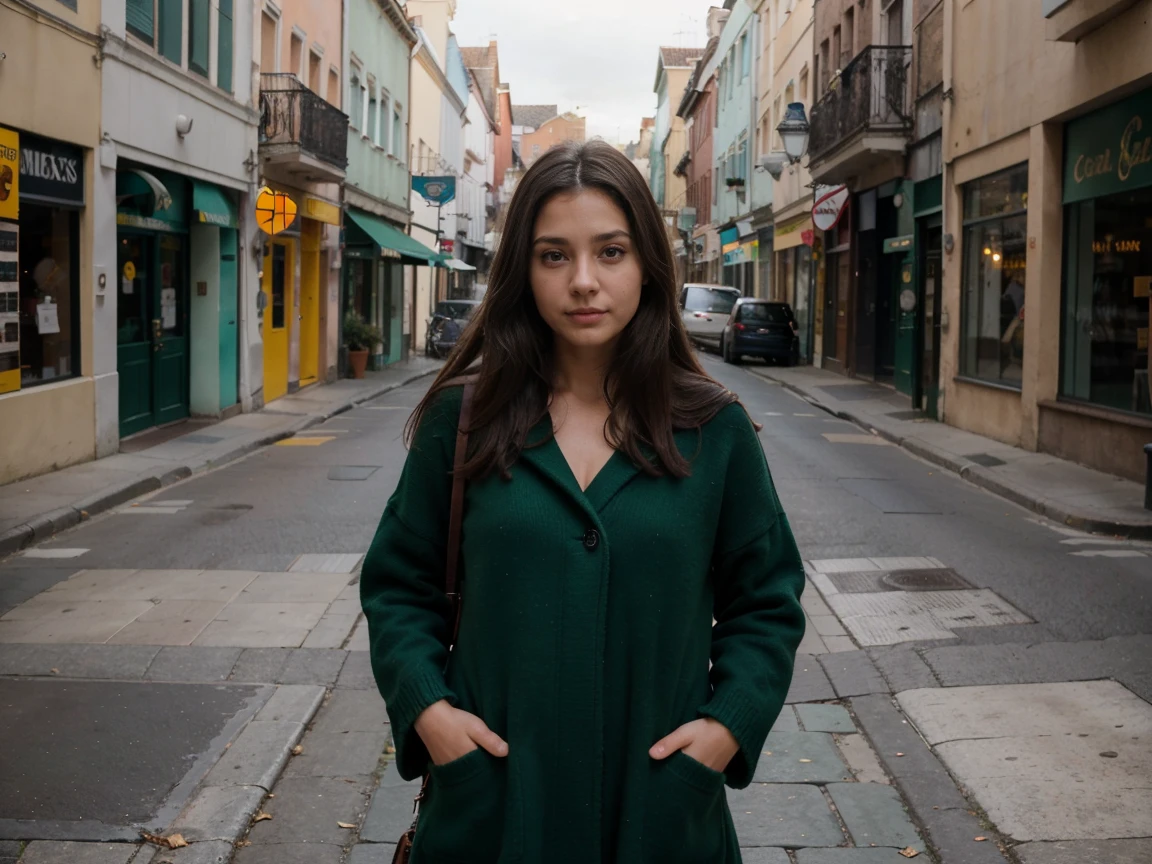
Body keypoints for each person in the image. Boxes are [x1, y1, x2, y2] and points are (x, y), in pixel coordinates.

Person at [360, 140, 806, 863]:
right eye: (554, 255)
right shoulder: (463, 419)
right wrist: (432, 715)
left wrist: (726, 728)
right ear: (523, 272)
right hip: (497, 815)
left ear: (647, 266)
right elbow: (397, 587)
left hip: (659, 818)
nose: (584, 282)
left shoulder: (713, 429)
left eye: (610, 251)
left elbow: (768, 602)